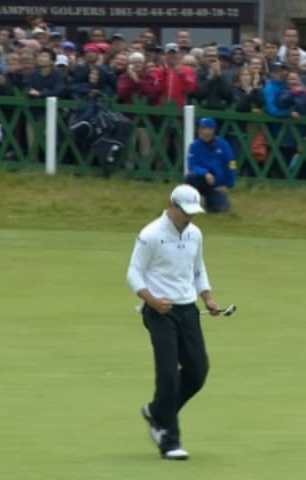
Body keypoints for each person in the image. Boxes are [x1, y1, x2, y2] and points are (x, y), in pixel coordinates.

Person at [126, 184, 224, 461]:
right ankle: (169, 440)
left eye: (193, 213)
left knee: (197, 371)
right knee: (168, 374)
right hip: (159, 312)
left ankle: (157, 411)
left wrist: (208, 298)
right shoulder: (151, 235)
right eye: (185, 212)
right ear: (172, 206)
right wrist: (152, 300)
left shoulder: (194, 234)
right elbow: (133, 275)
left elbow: (197, 268)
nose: (189, 218)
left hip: (187, 309)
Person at [183, 117, 237, 213]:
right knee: (190, 178)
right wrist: (205, 173)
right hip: (201, 180)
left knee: (221, 209)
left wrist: (228, 184)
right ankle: (191, 201)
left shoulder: (223, 145)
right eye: (200, 128)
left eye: (203, 128)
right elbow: (192, 165)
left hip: (216, 184)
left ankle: (211, 201)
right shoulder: (194, 146)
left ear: (212, 130)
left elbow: (231, 164)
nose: (200, 130)